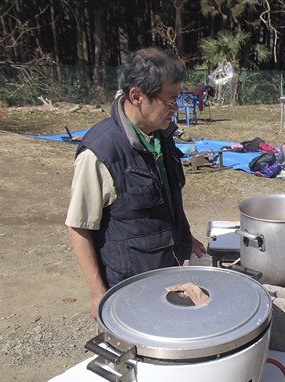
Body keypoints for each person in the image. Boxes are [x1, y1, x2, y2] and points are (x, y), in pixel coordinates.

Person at [65, 48, 205, 319]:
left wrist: (186, 238)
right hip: (130, 286)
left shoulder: (160, 135)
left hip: (168, 273)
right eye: (171, 99)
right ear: (138, 97)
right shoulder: (100, 152)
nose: (176, 108)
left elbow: (160, 203)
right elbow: (79, 227)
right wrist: (97, 294)